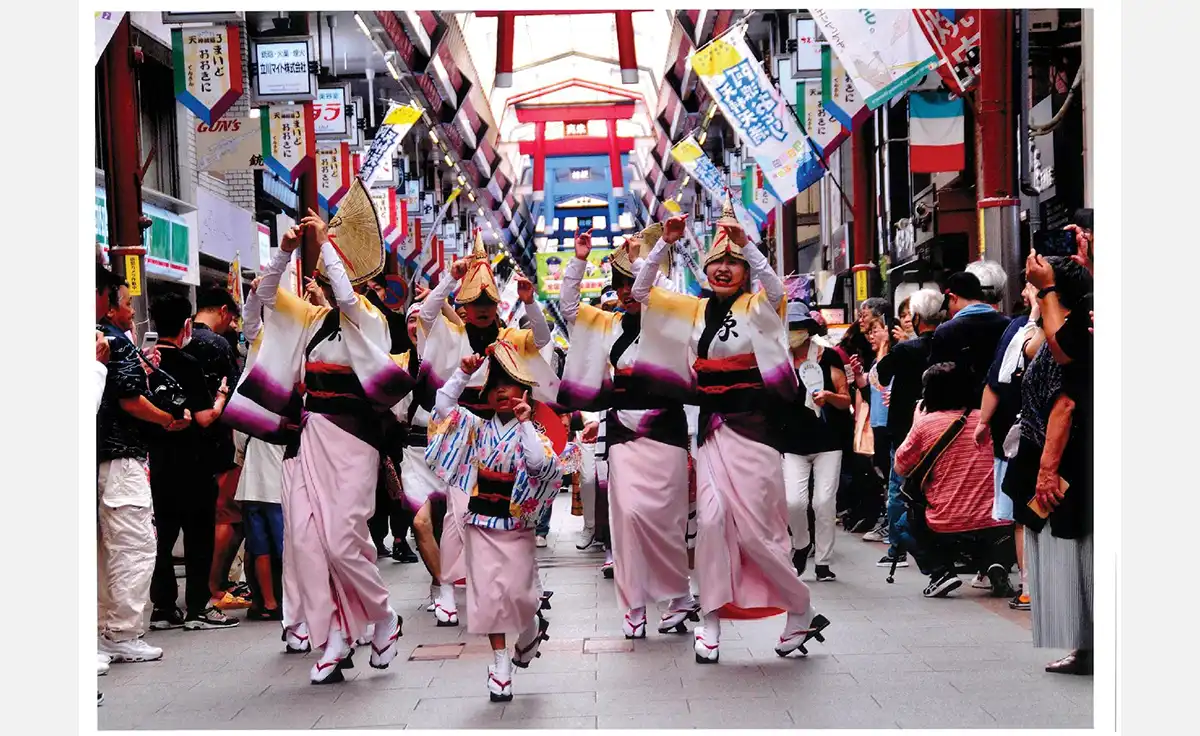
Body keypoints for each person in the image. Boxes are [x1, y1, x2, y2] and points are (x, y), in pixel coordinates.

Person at [631, 201, 830, 664]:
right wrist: (666, 240)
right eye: (717, 261)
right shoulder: (693, 310)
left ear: (743, 271)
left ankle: (799, 607)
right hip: (713, 433)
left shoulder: (758, 306)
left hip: (756, 433)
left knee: (760, 534)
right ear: (704, 268)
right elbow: (642, 292)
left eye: (732, 263)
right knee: (714, 524)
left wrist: (749, 246)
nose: (724, 269)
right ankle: (711, 620)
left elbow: (777, 287)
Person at [224, 211, 414, 684]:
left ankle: (383, 616)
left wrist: (325, 243)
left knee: (344, 540)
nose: (329, 276)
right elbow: (260, 301)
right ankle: (332, 635)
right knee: (305, 543)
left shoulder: (369, 318)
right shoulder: (310, 318)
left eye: (338, 266)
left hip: (352, 440)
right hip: (308, 437)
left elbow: (347, 298)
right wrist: (286, 250)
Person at [558, 220, 699, 638]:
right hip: (622, 431)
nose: (626, 290)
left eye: (632, 281)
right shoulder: (607, 325)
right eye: (619, 282)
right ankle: (634, 604)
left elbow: (670, 292)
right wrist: (578, 263)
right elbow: (569, 310)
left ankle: (678, 597)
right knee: (628, 518)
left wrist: (649, 255)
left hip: (667, 428)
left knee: (668, 518)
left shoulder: (669, 317)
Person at [415, 232, 556, 623]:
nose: (481, 308)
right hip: (466, 430)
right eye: (474, 301)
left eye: (488, 302)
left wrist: (531, 302)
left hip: (509, 429)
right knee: (458, 512)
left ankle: (529, 583)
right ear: (463, 303)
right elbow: (427, 317)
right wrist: (448, 278)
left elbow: (542, 339)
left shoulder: (510, 336)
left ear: (497, 305)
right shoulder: (453, 333)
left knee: (518, 509)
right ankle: (444, 587)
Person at [426, 343, 562, 702]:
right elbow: (443, 407)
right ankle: (500, 665)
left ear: (524, 392)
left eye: (510, 383)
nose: (501, 391)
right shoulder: (475, 427)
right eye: (495, 384)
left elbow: (537, 464)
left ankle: (531, 626)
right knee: (486, 596)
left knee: (520, 594)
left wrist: (527, 421)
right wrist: (464, 373)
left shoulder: (530, 431)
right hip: (481, 522)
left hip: (516, 525)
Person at [98, 273, 188, 664]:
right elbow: (131, 400)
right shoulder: (112, 342)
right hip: (120, 461)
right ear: (107, 302)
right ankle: (121, 632)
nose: (131, 310)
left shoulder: (104, 342)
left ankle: (104, 631)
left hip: (99, 458)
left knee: (104, 551)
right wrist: (167, 419)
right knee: (134, 545)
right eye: (126, 302)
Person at [1021, 235, 1094, 676]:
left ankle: (1087, 646)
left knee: (1078, 553)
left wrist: (1047, 470)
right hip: (1078, 457)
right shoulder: (1069, 326)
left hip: (1074, 461)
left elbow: (1064, 404)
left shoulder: (1072, 334)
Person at [146, 293, 240, 631]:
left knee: (163, 537)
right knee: (198, 535)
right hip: (194, 462)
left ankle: (163, 607)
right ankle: (198, 608)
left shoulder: (147, 364)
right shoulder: (189, 365)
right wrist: (221, 397)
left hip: (158, 462)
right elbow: (203, 418)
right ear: (186, 325)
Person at [893, 362, 1017, 598]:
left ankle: (941, 573)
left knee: (902, 523)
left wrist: (917, 422)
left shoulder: (926, 424)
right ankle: (996, 563)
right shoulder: (989, 421)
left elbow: (901, 465)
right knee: (998, 523)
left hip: (945, 524)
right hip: (996, 520)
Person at [975, 282, 1041, 607]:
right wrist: (983, 423)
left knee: (1026, 514)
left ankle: (1033, 587)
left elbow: (996, 381)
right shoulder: (1016, 327)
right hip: (1021, 436)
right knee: (1023, 512)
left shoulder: (1026, 330)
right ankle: (1029, 585)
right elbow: (995, 381)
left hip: (1032, 435)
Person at [781, 298, 852, 581]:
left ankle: (823, 562)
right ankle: (801, 544)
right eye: (789, 327)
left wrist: (830, 397)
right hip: (791, 442)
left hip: (827, 441)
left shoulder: (828, 356)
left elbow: (846, 399)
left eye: (798, 327)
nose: (793, 332)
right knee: (794, 503)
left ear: (809, 330)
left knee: (823, 502)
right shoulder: (777, 359)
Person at [872, 289, 943, 569]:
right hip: (944, 427)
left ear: (915, 318)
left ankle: (897, 547)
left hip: (905, 429)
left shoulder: (904, 349)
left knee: (899, 488)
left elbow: (881, 374)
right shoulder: (947, 343)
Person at [188, 287, 249, 611]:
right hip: (219, 441)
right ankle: (214, 587)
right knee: (226, 514)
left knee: (196, 519)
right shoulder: (217, 344)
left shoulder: (183, 339)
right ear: (224, 311)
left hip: (185, 441)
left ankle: (203, 587)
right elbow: (237, 392)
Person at [929, 271, 1011, 404]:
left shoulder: (946, 331)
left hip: (959, 414)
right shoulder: (1008, 325)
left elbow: (935, 382)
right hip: (1002, 410)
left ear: (953, 298)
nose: (949, 311)